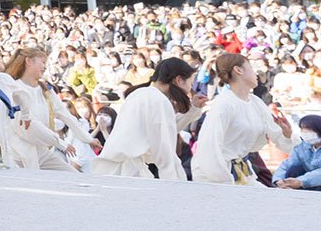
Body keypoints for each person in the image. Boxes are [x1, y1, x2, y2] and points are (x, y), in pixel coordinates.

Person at [191, 53, 295, 185]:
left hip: (240, 171)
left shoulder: (255, 102)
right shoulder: (224, 105)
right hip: (216, 175)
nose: (255, 73)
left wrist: (287, 135)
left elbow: (278, 135)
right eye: (250, 68)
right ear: (238, 70)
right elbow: (209, 148)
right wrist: (223, 181)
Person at [91, 58, 195, 180]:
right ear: (178, 80)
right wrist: (175, 184)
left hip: (113, 168)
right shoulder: (159, 101)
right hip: (127, 172)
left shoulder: (139, 94)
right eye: (190, 83)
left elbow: (164, 131)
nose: (190, 88)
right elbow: (164, 152)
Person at [0, 47, 83, 171]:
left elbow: (64, 113)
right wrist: (60, 143)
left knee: (72, 175)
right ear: (29, 61)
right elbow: (30, 125)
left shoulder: (44, 88)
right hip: (21, 154)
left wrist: (87, 139)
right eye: (42, 62)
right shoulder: (15, 89)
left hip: (42, 152)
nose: (45, 66)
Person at [275, 114, 321, 190]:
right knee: (294, 169)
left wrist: (301, 181)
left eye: (308, 129)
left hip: (311, 182)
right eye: (302, 129)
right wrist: (278, 179)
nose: (304, 132)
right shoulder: (303, 146)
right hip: (307, 183)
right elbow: (287, 164)